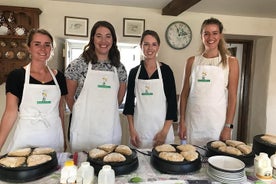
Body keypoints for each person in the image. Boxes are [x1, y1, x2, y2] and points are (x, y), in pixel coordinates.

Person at [0, 29, 67, 153]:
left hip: (53, 138)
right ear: (29, 47)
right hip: (26, 138)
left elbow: (60, 111)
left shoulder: (59, 77)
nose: (43, 48)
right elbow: (10, 113)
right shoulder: (17, 76)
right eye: (37, 44)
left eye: (47, 45)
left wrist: (64, 140)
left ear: (51, 49)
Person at [65, 21, 127, 152]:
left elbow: (119, 100)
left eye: (108, 36)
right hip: (83, 131)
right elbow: (69, 97)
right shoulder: (77, 65)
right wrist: (82, 115)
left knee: (108, 167)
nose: (103, 40)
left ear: (113, 40)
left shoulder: (119, 68)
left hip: (109, 131)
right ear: (92, 38)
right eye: (99, 36)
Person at [178, 17, 239, 146]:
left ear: (220, 35)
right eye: (206, 33)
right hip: (193, 123)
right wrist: (181, 121)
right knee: (191, 160)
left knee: (215, 160)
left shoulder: (231, 62)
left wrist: (228, 126)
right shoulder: (191, 61)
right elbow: (184, 94)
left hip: (217, 125)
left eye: (215, 33)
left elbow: (233, 97)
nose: (210, 37)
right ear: (201, 36)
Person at [123, 30, 178, 148]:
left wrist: (164, 132)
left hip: (162, 130)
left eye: (154, 44)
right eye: (146, 44)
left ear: (158, 47)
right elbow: (129, 104)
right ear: (140, 46)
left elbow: (172, 104)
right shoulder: (134, 72)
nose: (150, 48)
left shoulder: (166, 71)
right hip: (139, 132)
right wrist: (132, 130)